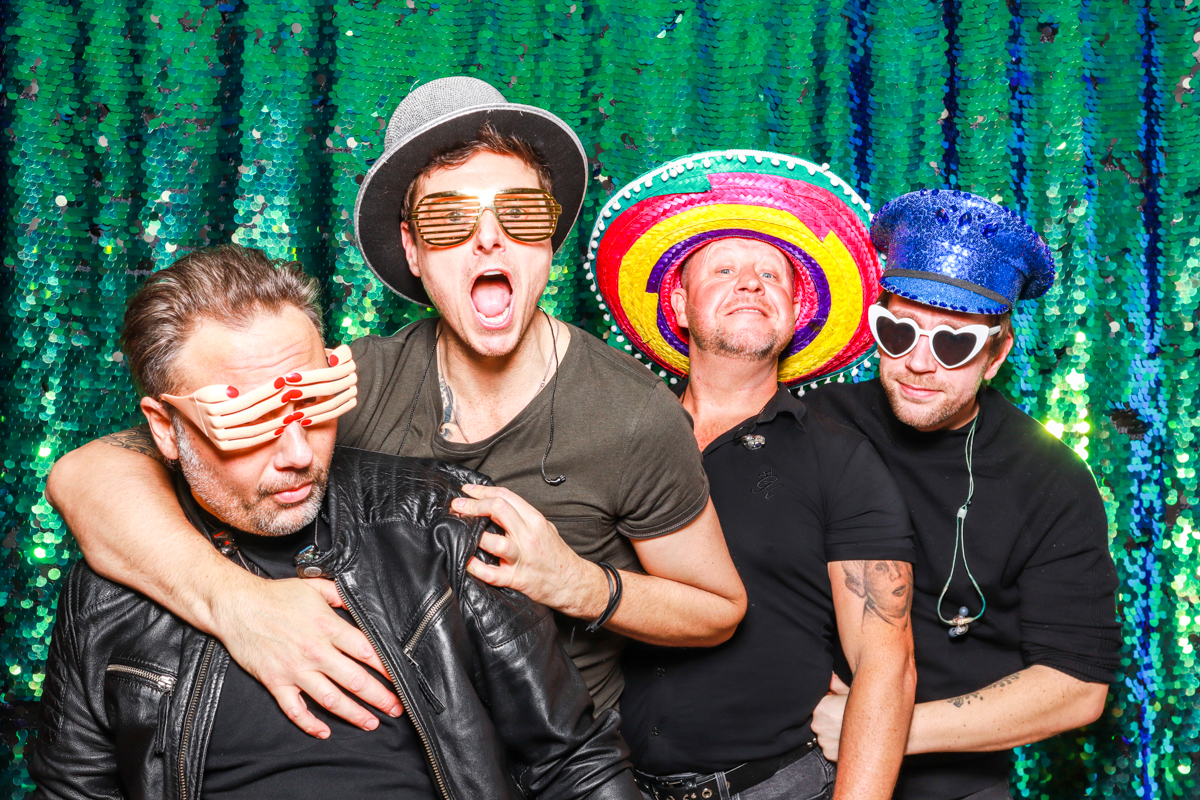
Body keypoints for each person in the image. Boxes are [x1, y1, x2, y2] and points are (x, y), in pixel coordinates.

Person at [45, 76, 746, 732]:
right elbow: (84, 476)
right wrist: (238, 606)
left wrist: (581, 585)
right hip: (394, 760)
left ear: (549, 239)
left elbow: (718, 610)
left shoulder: (631, 411)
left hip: (558, 763)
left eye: (520, 212)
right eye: (447, 221)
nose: (488, 239)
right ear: (412, 250)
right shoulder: (349, 384)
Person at [30, 245, 641, 800]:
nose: (298, 452)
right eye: (251, 420)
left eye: (314, 402)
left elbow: (573, 762)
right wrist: (238, 604)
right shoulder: (108, 591)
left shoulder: (439, 518)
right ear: (165, 428)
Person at [590, 150, 917, 800]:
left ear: (794, 314)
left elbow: (888, 664)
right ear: (678, 303)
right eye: (726, 268)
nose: (751, 283)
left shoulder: (838, 459)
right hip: (601, 783)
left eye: (772, 273)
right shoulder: (610, 438)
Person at [802, 189, 1121, 800]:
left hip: (951, 786)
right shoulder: (814, 424)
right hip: (788, 773)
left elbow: (1078, 686)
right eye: (898, 332)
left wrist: (883, 728)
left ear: (997, 355)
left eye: (954, 343)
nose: (919, 363)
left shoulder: (1050, 480)